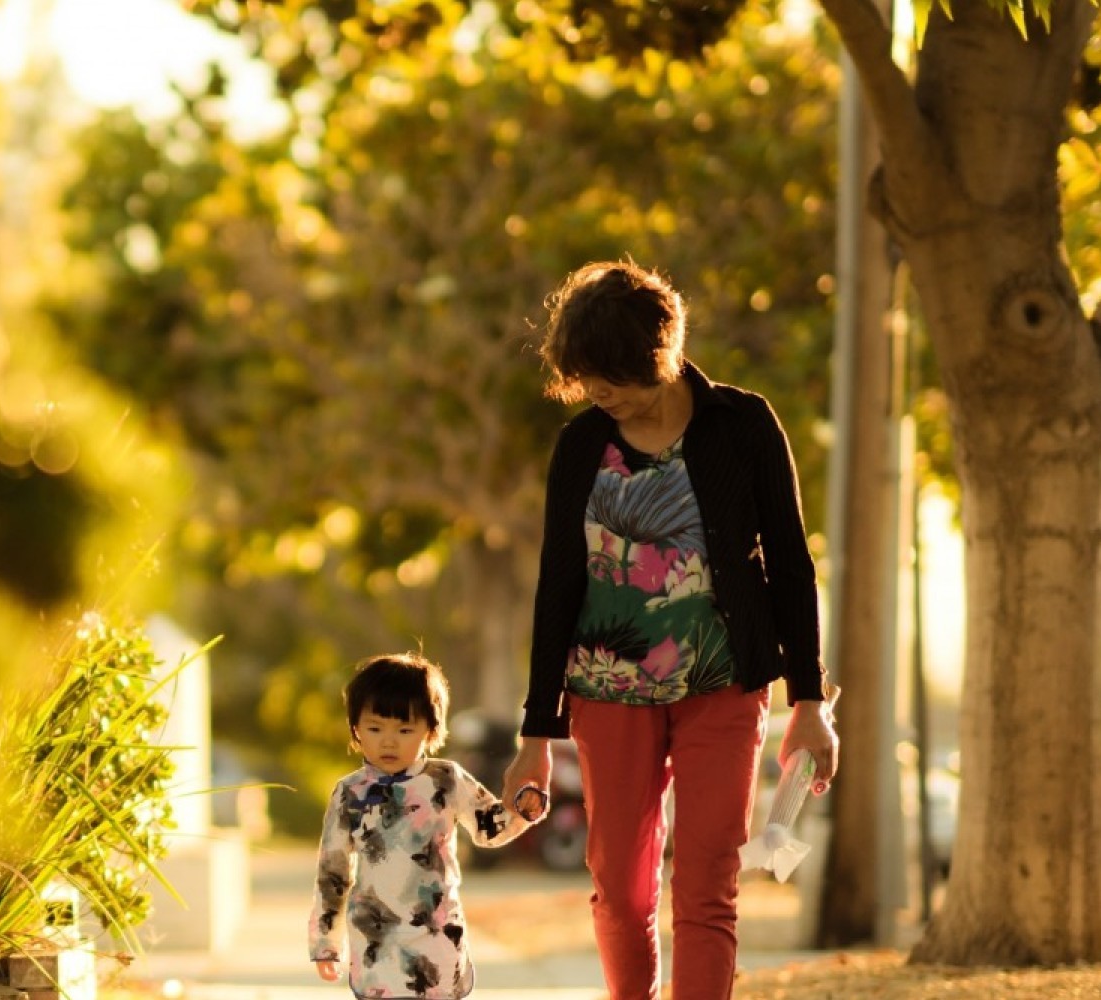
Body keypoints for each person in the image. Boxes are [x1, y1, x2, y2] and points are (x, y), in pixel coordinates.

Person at [499, 260, 840, 1000]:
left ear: (656, 355)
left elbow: (790, 561)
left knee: (708, 886)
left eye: (608, 373)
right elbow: (557, 584)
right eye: (583, 374)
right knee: (621, 890)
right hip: (606, 690)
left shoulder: (743, 425)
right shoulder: (582, 446)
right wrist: (535, 736)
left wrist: (808, 702)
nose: (595, 390)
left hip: (724, 685)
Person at [309, 653, 549, 1000]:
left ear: (430, 729)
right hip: (377, 939)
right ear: (355, 728)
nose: (389, 741)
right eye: (375, 728)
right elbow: (332, 871)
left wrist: (523, 811)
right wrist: (326, 942)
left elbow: (489, 828)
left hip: (436, 931)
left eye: (405, 730)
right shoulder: (350, 793)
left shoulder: (446, 780)